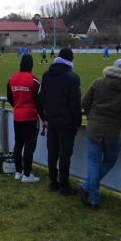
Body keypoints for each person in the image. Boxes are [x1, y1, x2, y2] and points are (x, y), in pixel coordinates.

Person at [78, 59, 121, 210]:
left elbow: (85, 102)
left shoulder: (98, 82)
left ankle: (90, 194)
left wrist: (92, 117)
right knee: (109, 161)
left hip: (94, 128)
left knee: (94, 163)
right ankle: (90, 194)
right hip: (113, 131)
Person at [40, 48, 82, 196]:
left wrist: (47, 116)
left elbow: (42, 98)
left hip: (52, 120)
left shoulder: (47, 75)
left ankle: (53, 182)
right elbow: (75, 103)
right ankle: (64, 187)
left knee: (52, 153)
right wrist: (77, 121)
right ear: (70, 60)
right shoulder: (72, 77)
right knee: (64, 155)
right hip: (67, 122)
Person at [7, 54, 45, 183]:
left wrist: (17, 106)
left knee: (18, 143)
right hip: (30, 117)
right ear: (31, 65)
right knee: (29, 145)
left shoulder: (12, 79)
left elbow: (9, 98)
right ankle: (27, 175)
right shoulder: (34, 81)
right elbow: (39, 102)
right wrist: (44, 118)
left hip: (17, 116)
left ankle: (18, 172)